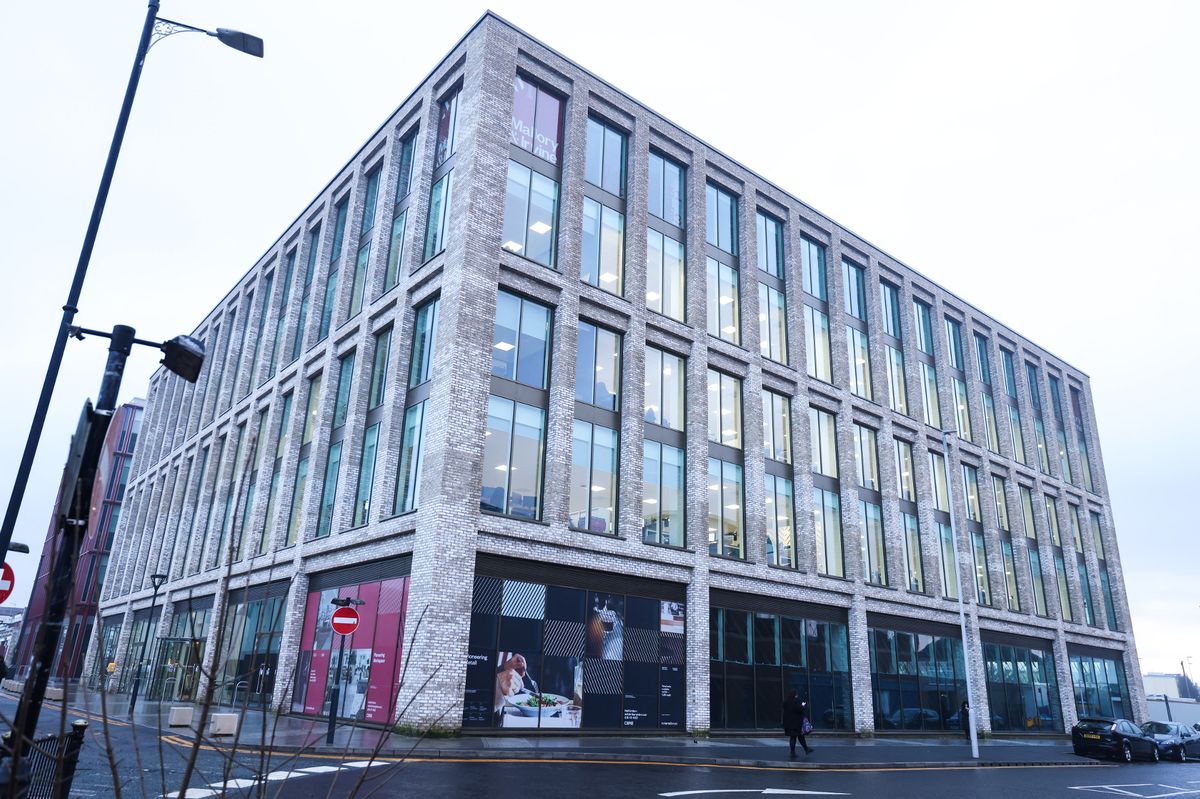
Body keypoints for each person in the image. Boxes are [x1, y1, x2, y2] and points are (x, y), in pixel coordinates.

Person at [782, 689, 813, 758]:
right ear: (795, 695)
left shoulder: (786, 702)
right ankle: (795, 752)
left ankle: (805, 749)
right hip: (796, 723)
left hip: (788, 723)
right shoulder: (796, 701)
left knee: (795, 737)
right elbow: (800, 709)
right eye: (796, 694)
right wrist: (803, 704)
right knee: (796, 737)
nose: (797, 695)